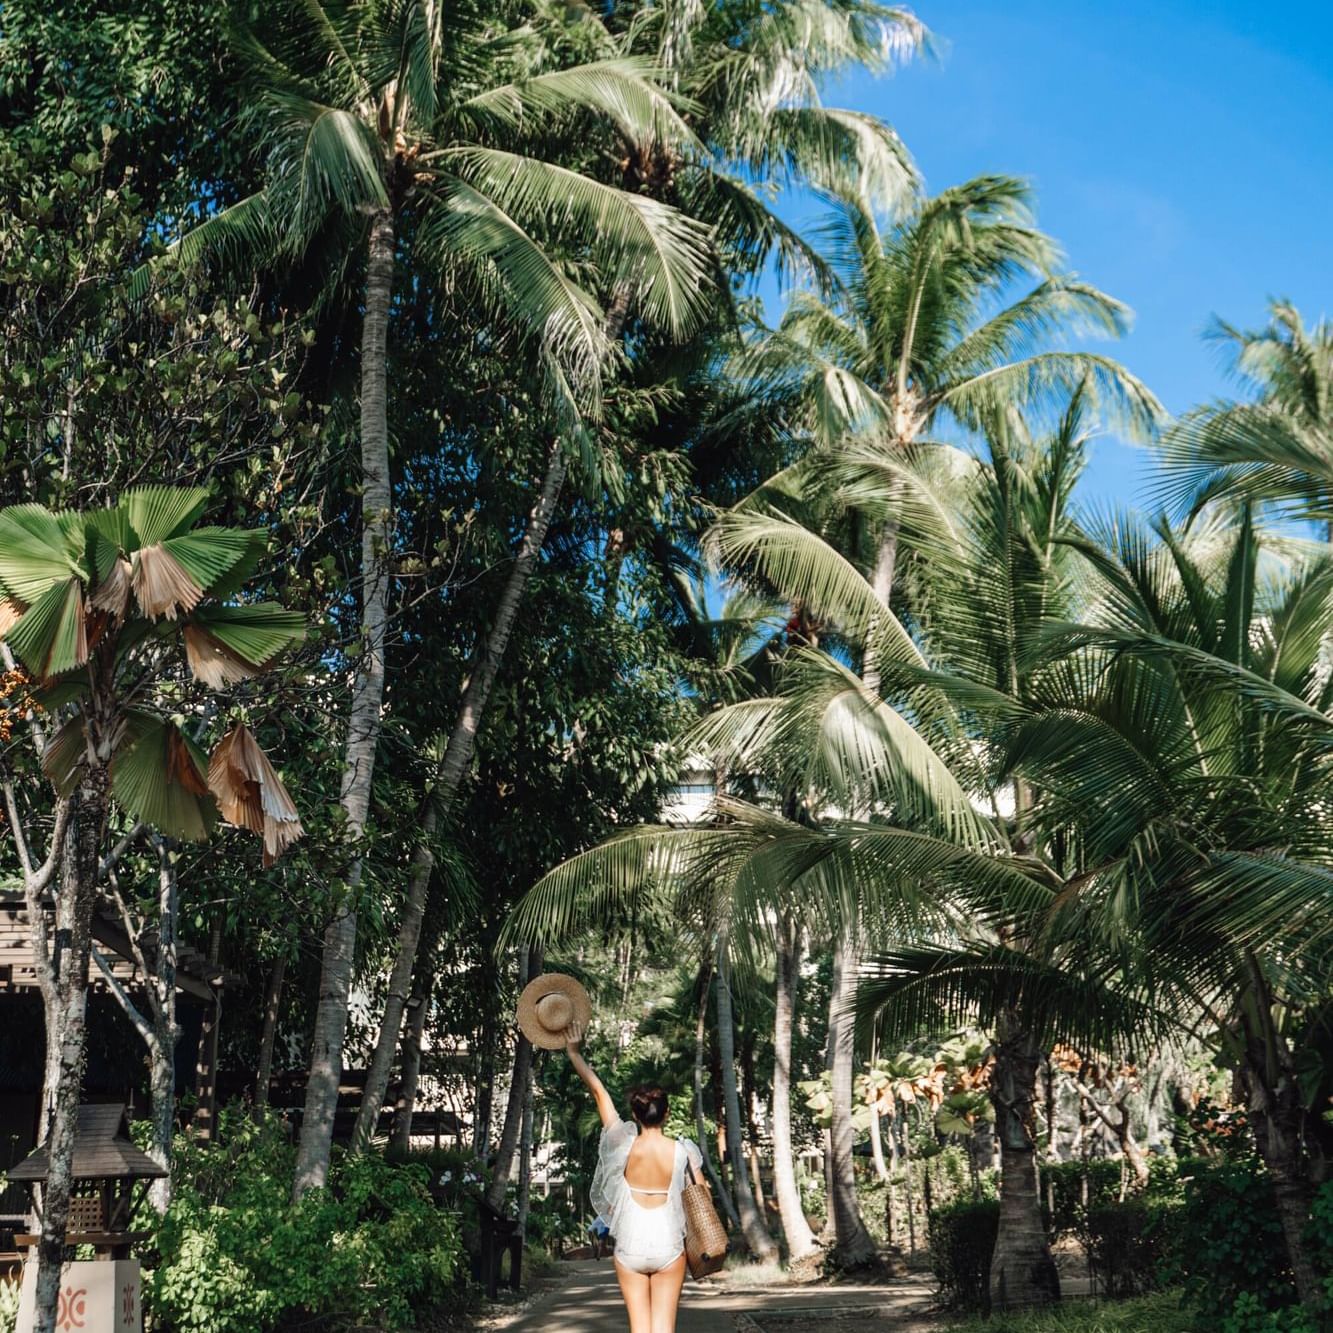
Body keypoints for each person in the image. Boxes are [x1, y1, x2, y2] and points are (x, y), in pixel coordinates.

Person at [565, 1032, 703, 1333]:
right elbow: (701, 1197)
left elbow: (600, 1094)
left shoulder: (622, 1143)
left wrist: (574, 1053)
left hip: (630, 1248)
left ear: (634, 1115)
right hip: (669, 1246)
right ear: (666, 1113)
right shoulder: (684, 1152)